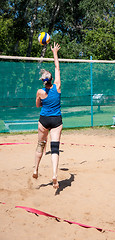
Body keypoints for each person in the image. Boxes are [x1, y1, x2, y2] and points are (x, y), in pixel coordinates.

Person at [32, 42, 62, 189]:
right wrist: (54, 52)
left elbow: (38, 106)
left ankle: (35, 169)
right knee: (55, 148)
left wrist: (41, 100)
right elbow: (57, 68)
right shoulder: (57, 86)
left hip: (44, 120)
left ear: (43, 81)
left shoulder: (40, 92)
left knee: (40, 144)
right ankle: (55, 174)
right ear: (51, 79)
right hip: (57, 120)